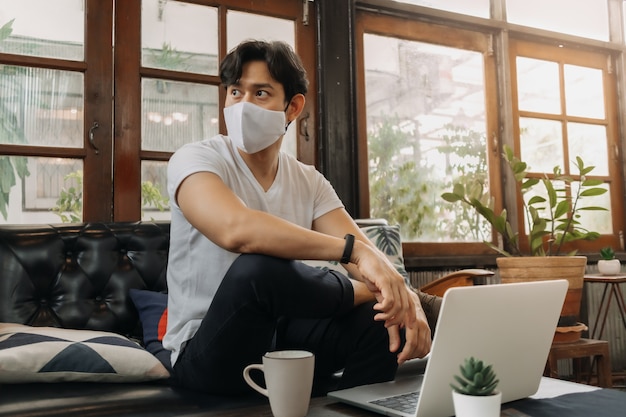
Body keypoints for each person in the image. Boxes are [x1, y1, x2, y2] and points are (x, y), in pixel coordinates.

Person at [163, 39, 435, 395]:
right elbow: (237, 231)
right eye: (235, 92)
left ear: (293, 107)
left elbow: (373, 261)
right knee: (257, 269)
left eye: (260, 93)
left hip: (286, 339)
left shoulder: (308, 180)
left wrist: (404, 297)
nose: (243, 105)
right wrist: (355, 254)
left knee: (380, 319)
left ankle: (359, 408)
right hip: (207, 352)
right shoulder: (195, 160)